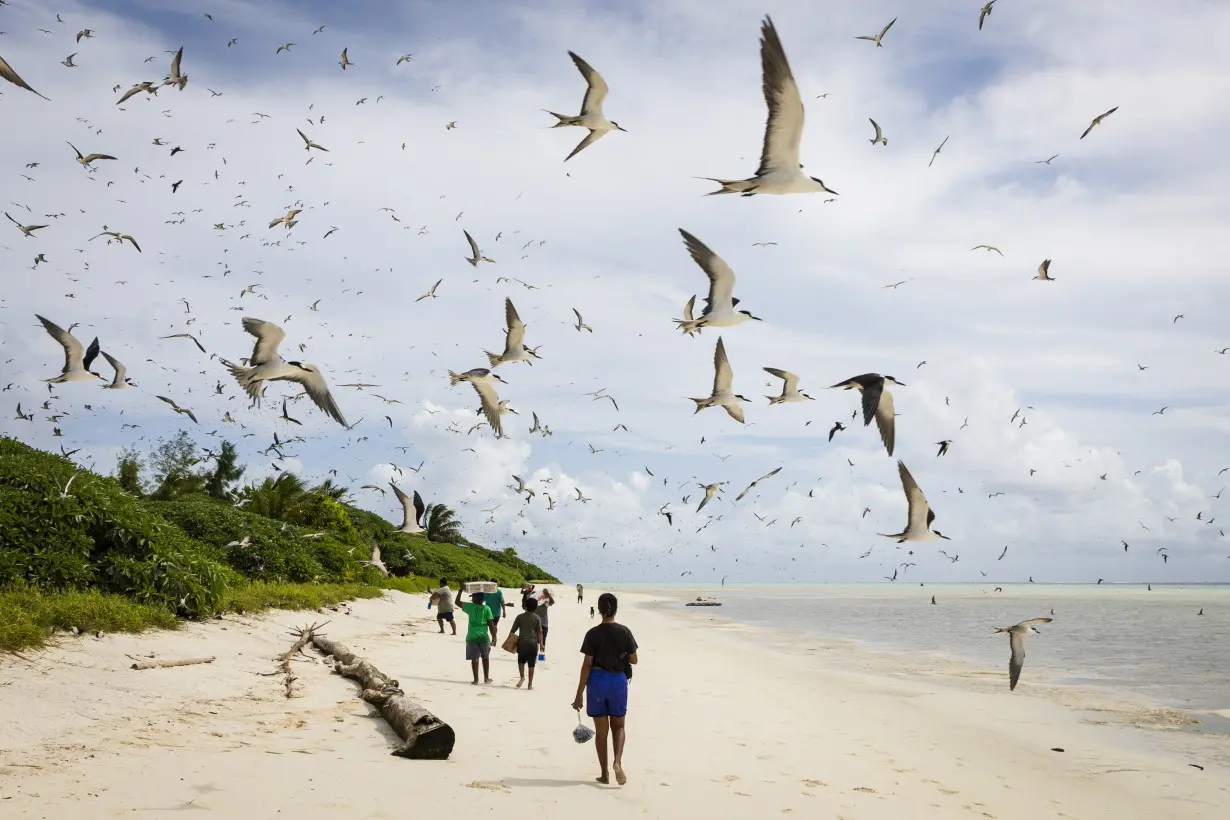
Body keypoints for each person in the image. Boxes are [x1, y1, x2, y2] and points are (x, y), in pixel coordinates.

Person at [572, 593, 637, 786]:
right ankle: (617, 762)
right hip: (617, 681)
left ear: (599, 609)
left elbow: (587, 664)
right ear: (615, 609)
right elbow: (634, 659)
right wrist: (622, 655)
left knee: (602, 731)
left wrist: (579, 694)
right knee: (619, 726)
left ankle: (604, 774)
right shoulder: (624, 631)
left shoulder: (593, 633)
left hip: (597, 682)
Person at [455, 589, 496, 684]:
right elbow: (491, 624)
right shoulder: (487, 609)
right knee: (485, 658)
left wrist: (460, 591)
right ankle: (486, 678)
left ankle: (476, 680)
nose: (472, 599)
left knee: (475, 658)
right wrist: (494, 637)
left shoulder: (470, 607)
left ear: (476, 598)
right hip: (484, 637)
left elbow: (457, 602)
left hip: (472, 637)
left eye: (473, 597)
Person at [509, 597, 544, 690]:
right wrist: (542, 644)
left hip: (522, 642)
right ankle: (530, 684)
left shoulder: (519, 617)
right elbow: (540, 632)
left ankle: (522, 677)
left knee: (521, 661)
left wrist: (510, 642)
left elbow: (512, 631)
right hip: (533, 643)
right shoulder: (537, 618)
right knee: (531, 664)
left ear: (525, 606)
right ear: (536, 608)